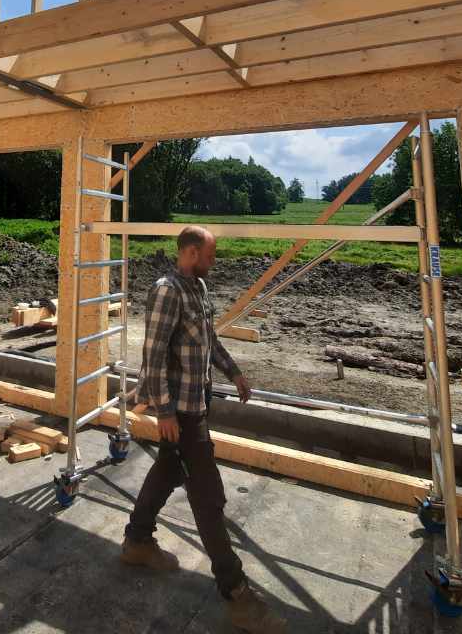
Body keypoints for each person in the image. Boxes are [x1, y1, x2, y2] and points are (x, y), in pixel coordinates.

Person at [121, 225, 286, 634]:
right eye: (210, 255)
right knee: (207, 495)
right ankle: (237, 595)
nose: (214, 261)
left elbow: (208, 340)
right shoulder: (166, 291)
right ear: (192, 252)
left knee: (167, 471)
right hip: (179, 412)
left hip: (196, 404)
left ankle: (137, 541)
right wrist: (164, 412)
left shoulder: (198, 288)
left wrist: (235, 372)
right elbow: (153, 356)